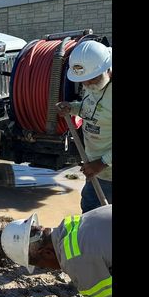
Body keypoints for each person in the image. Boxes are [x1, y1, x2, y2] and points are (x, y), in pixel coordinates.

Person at [56, 40, 112, 213]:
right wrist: (72, 108)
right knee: (89, 211)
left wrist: (102, 163)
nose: (87, 85)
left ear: (106, 69)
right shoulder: (94, 84)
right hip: (94, 168)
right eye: (84, 81)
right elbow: (90, 109)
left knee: (101, 218)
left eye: (92, 79)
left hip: (107, 173)